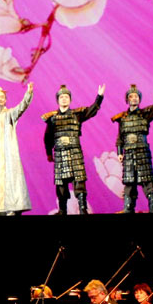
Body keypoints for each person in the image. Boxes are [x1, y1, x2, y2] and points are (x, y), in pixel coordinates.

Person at [41, 84, 104, 215]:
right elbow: (47, 138)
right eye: (61, 97)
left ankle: (83, 209)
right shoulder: (52, 118)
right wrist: (48, 153)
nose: (64, 99)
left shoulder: (77, 115)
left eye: (66, 97)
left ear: (70, 100)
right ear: (58, 100)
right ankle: (62, 210)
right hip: (60, 154)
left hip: (75, 153)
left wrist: (99, 97)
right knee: (61, 184)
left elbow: (91, 111)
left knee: (79, 181)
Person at [112, 79, 153, 213]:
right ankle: (128, 208)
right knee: (129, 181)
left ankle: (152, 207)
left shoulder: (145, 114)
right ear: (127, 100)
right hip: (129, 153)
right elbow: (120, 138)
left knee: (147, 179)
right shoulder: (122, 118)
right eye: (131, 96)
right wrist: (119, 152)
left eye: (136, 96)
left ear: (139, 99)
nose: (134, 98)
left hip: (142, 151)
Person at [0, 83, 34, 216]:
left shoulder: (9, 114)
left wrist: (28, 94)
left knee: (9, 176)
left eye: (2, 97)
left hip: (6, 151)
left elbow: (21, 107)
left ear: (5, 100)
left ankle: (11, 206)